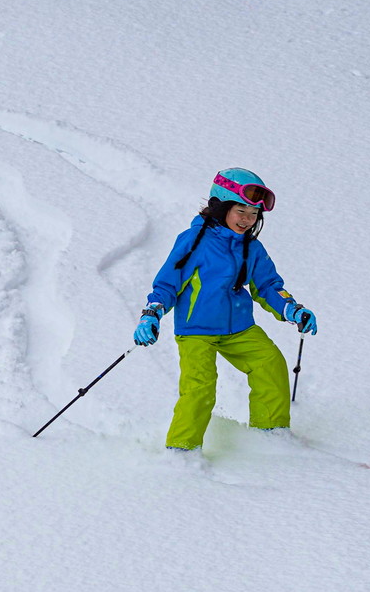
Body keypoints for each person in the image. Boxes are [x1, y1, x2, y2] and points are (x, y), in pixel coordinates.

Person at [133, 167, 316, 451]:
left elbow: (267, 286)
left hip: (239, 328)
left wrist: (291, 309)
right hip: (196, 330)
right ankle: (181, 450)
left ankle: (270, 435)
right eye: (240, 211)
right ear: (221, 207)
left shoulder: (251, 248)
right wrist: (152, 313)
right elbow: (168, 284)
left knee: (270, 363)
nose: (247, 220)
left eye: (254, 214)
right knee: (200, 387)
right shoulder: (194, 242)